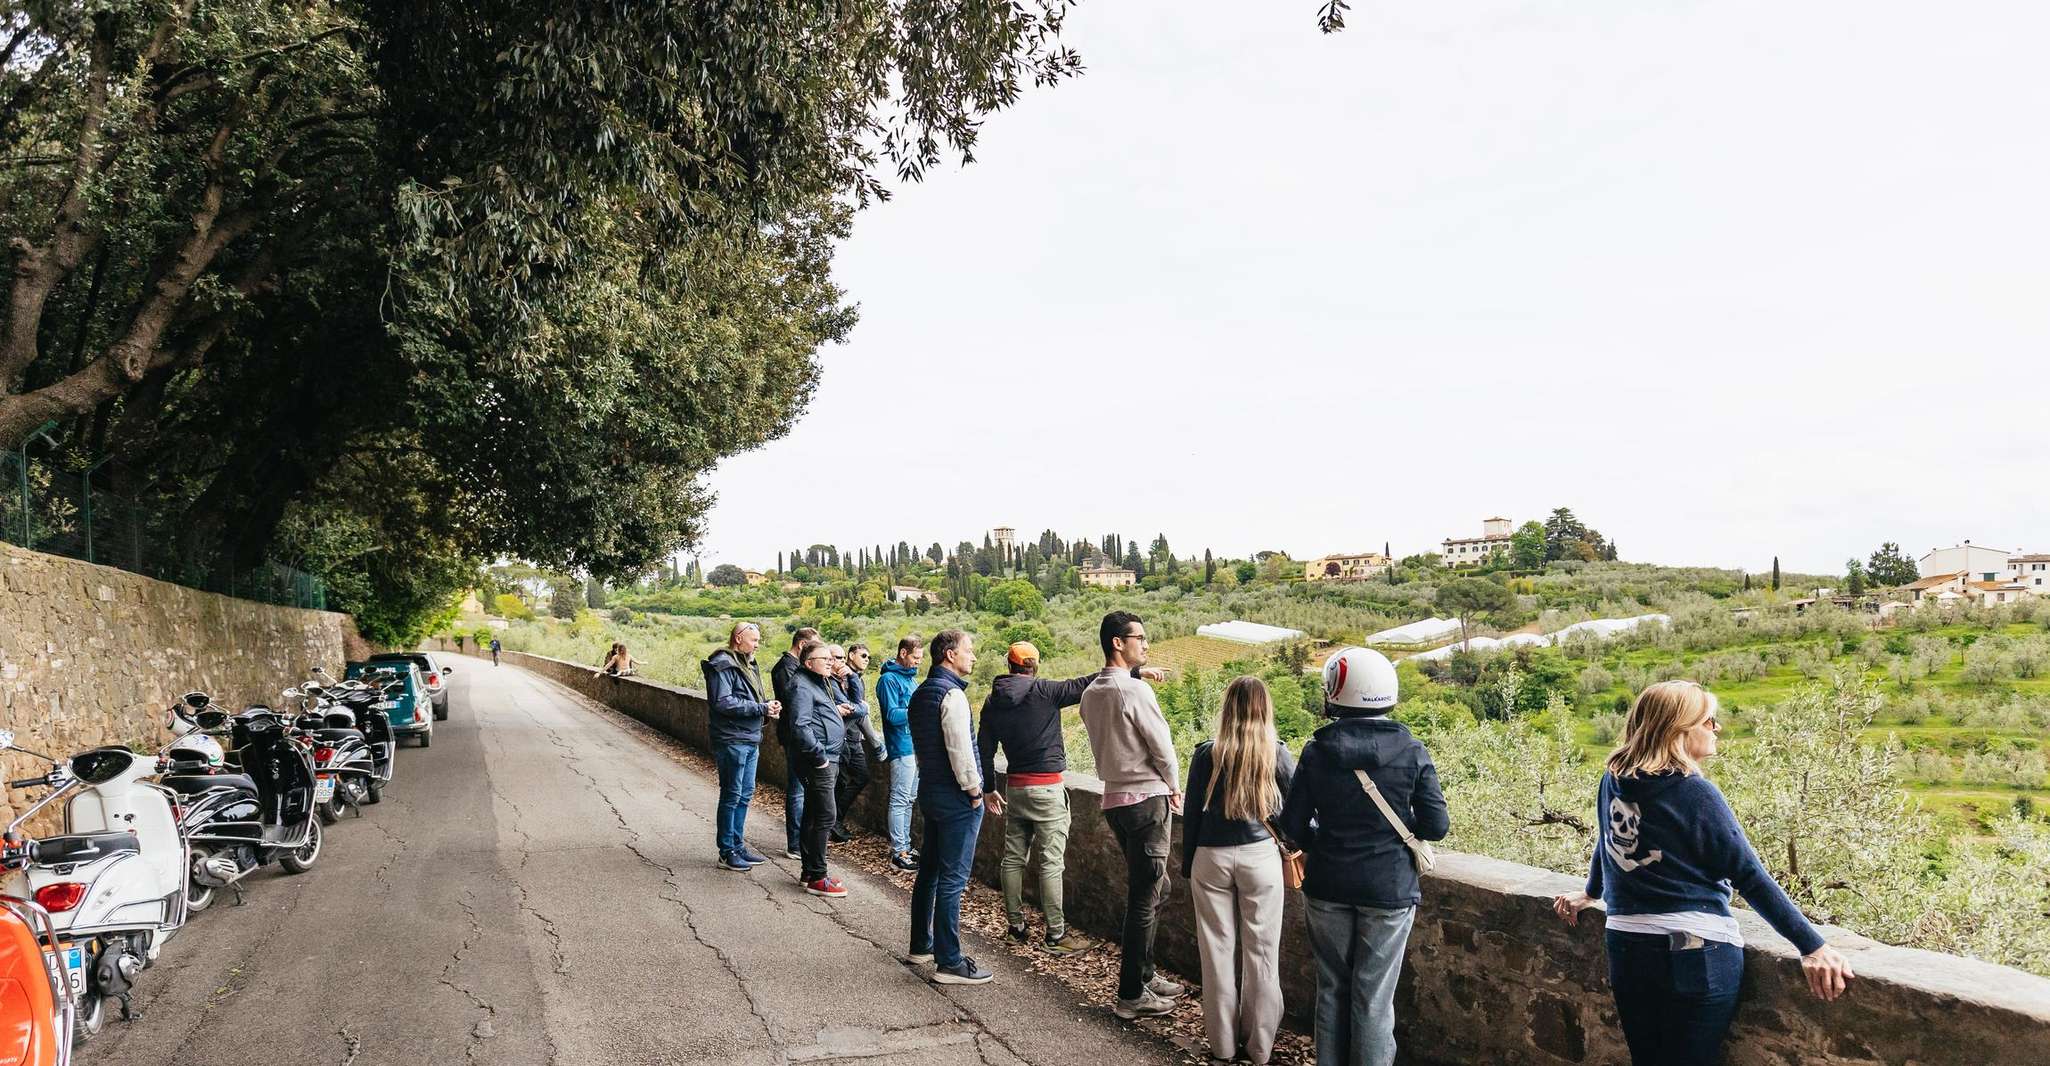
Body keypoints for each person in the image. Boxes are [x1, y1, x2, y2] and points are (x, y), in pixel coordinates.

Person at [1553, 680, 1854, 1066]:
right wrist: (1813, 946)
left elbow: (1611, 840)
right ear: (1679, 729)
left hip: (1628, 947)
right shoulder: (1694, 793)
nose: (1718, 728)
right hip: (1696, 954)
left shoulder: (1613, 781)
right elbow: (1748, 875)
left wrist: (1591, 893)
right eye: (1709, 721)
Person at [1279, 646, 1449, 1066]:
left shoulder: (1317, 752)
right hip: (1388, 887)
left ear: (1335, 692)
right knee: (1373, 998)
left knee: (1332, 987)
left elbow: (1293, 829)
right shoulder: (1412, 750)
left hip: (1328, 885)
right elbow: (1436, 827)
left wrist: (1327, 831)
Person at [978, 640, 1165, 952]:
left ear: (1010, 666)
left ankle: (1016, 926)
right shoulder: (1046, 691)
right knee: (1051, 862)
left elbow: (984, 749)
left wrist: (987, 787)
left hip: (1015, 787)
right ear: (1032, 666)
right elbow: (1089, 682)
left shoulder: (992, 701)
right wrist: (1137, 671)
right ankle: (1055, 935)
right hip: (1046, 787)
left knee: (1012, 857)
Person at [1078, 611, 1185, 1019]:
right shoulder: (1135, 693)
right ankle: (1130, 994)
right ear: (1117, 643)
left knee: (1160, 888)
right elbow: (1162, 746)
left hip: (1115, 802)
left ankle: (1144, 973)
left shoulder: (1092, 693)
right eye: (1139, 637)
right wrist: (1174, 785)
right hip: (1147, 801)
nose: (1146, 644)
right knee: (1145, 897)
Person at [1183, 676, 1295, 1065]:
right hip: (1259, 856)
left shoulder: (1206, 754)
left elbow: (1191, 815)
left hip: (1211, 856)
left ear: (1227, 708)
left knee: (1215, 953)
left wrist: (1187, 866)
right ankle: (1260, 1049)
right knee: (1263, 954)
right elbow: (1294, 815)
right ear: (1265, 709)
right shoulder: (1276, 753)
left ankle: (1223, 1047)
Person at [907, 629, 996, 985]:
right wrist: (975, 791)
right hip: (957, 797)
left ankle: (921, 945)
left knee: (929, 870)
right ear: (949, 654)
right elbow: (960, 749)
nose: (973, 657)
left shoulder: (920, 694)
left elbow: (925, 748)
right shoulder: (952, 696)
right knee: (953, 880)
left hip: (930, 790)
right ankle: (950, 962)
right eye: (968, 651)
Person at [703, 622, 781, 871]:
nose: (758, 644)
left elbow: (748, 698)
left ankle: (737, 845)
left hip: (749, 737)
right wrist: (760, 708)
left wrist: (767, 705)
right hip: (732, 739)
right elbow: (722, 702)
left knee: (744, 794)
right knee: (732, 794)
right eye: (754, 640)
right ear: (738, 639)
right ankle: (726, 852)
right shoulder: (722, 664)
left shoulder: (747, 664)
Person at [787, 639, 851, 897]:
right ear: (808, 662)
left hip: (827, 757)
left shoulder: (817, 682)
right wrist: (820, 757)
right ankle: (818, 877)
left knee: (813, 815)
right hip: (820, 761)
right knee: (826, 816)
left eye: (831, 659)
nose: (831, 662)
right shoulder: (802, 686)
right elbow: (800, 727)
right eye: (825, 659)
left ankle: (809, 871)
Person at [830, 643, 888, 842]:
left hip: (853, 739)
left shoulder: (854, 678)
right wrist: (875, 742)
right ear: (851, 655)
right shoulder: (839, 679)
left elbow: (859, 710)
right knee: (841, 782)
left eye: (869, 657)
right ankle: (833, 823)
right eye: (863, 655)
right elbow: (858, 711)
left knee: (858, 777)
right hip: (845, 739)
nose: (866, 659)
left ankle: (835, 820)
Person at [877, 636, 924, 870]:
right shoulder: (888, 680)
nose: (918, 663)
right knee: (899, 799)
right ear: (903, 653)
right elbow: (892, 715)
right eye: (915, 657)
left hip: (914, 748)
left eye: (921, 659)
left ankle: (905, 846)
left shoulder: (911, 680)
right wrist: (919, 709)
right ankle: (898, 851)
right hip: (901, 747)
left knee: (910, 799)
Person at [773, 627, 820, 859]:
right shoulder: (786, 669)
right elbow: (794, 704)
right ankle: (794, 844)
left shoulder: (793, 668)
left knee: (802, 790)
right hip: (794, 736)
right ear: (802, 646)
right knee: (797, 791)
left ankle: (802, 840)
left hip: (797, 734)